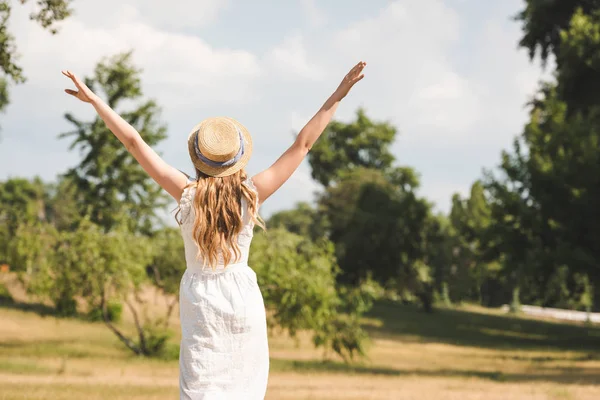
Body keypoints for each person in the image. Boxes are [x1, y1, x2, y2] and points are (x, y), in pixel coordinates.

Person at [62, 60, 366, 399]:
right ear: (238, 158)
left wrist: (95, 101)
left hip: (200, 300)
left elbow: (134, 142)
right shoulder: (251, 194)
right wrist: (339, 93)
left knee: (201, 389)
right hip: (243, 298)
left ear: (198, 158)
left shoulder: (186, 193)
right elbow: (303, 145)